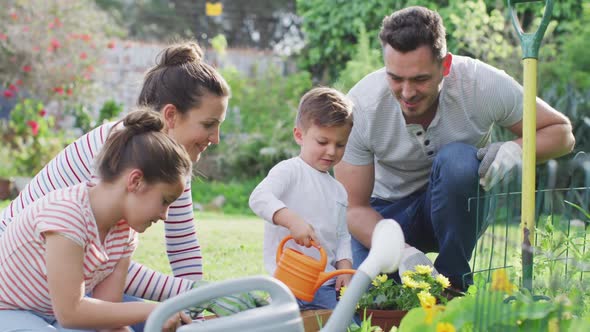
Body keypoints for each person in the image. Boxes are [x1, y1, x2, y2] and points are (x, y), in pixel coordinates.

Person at [0, 41, 261, 317]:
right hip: (20, 280)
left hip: (67, 281)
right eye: (209, 125)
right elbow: (100, 262)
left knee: (153, 316)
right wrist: (191, 294)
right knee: (143, 314)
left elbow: (182, 244)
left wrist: (198, 306)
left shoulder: (168, 160)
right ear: (171, 115)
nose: (215, 139)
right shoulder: (119, 152)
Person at [334, 6, 575, 290]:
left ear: (445, 66)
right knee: (371, 298)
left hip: (457, 209)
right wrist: (402, 252)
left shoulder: (480, 84)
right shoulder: (362, 106)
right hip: (386, 215)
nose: (408, 92)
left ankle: (452, 285)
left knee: (459, 160)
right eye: (396, 78)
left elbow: (562, 134)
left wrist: (517, 148)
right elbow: (355, 209)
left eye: (420, 79)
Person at [0, 110, 194, 330]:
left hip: (49, 313)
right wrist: (154, 310)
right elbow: (71, 313)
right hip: (8, 310)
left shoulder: (123, 233)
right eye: (164, 201)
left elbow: (107, 319)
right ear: (135, 181)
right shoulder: (67, 215)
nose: (165, 215)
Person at [249, 87, 354, 310]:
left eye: (340, 144)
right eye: (323, 142)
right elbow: (259, 197)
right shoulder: (289, 171)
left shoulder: (338, 190)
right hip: (287, 281)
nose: (332, 151)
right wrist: (291, 219)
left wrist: (344, 265)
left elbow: (342, 235)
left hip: (325, 282)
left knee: (342, 320)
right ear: (299, 135)